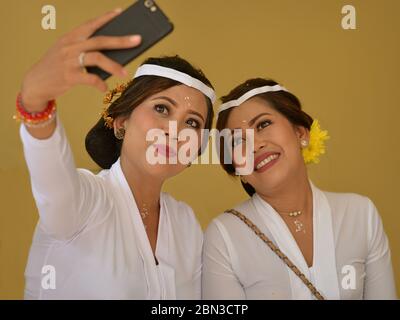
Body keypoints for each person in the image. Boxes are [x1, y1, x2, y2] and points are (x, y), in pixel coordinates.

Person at [17, 9, 215, 299]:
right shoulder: (84, 202)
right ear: (122, 122)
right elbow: (51, 180)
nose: (176, 130)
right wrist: (35, 102)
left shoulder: (185, 223)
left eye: (192, 122)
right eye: (162, 108)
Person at [202, 77, 397, 299]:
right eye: (238, 141)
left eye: (263, 124)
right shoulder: (224, 236)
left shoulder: (361, 214)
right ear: (239, 171)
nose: (255, 146)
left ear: (301, 133)